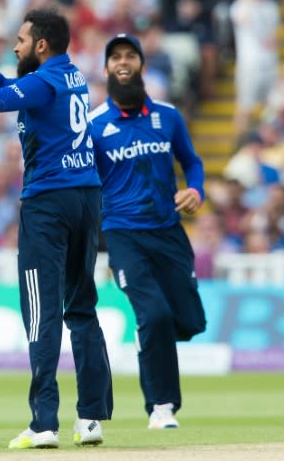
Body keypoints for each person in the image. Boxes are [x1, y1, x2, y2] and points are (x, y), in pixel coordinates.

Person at [0, 0, 113, 449]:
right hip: (85, 197)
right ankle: (91, 418)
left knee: (41, 311)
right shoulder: (66, 75)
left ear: (40, 44)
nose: (13, 48)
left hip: (49, 202)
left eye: (18, 42)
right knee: (82, 307)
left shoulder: (44, 82)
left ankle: (44, 424)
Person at [89, 33, 207, 429]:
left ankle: (149, 337)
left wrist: (195, 190)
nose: (123, 62)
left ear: (141, 65)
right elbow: (84, 185)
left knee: (189, 322)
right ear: (106, 69)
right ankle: (161, 407)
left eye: (130, 56)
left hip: (169, 232)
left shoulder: (168, 116)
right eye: (115, 57)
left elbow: (192, 162)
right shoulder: (94, 125)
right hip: (124, 235)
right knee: (153, 315)